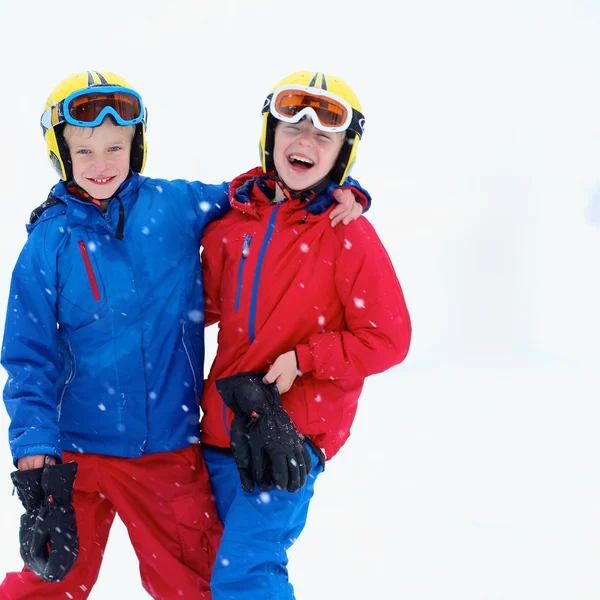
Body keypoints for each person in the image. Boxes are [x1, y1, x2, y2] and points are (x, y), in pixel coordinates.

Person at [0, 70, 368, 600]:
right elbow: (28, 356)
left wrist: (342, 190)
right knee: (50, 582)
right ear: (62, 154)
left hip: (165, 453)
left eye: (115, 147)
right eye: (85, 152)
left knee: (194, 587)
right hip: (74, 455)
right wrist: (34, 445)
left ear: (137, 145)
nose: (101, 165)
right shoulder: (48, 243)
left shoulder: (174, 206)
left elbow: (260, 194)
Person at [198, 70, 412, 599]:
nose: (305, 142)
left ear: (342, 154)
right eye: (292, 127)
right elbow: (194, 308)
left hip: (288, 436)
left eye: (323, 135)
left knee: (245, 573)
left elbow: (388, 337)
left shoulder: (348, 234)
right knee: (211, 569)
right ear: (270, 137)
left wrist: (307, 357)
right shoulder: (233, 225)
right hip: (222, 429)